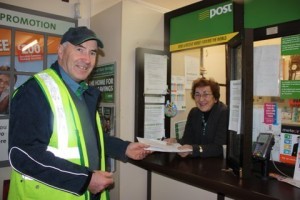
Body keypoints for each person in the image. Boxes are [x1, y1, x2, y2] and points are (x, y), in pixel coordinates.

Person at [8, 26, 151, 200]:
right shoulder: (35, 90)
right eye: (79, 49)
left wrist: (124, 148)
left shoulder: (82, 93)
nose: (86, 59)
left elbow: (88, 138)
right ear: (61, 51)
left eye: (92, 53)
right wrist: (85, 179)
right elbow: (23, 155)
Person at [165, 77, 228, 158]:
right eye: (197, 94)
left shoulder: (224, 112)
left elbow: (219, 148)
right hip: (197, 162)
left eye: (206, 94)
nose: (201, 99)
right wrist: (175, 141)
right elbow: (187, 140)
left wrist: (193, 149)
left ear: (215, 98)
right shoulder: (194, 112)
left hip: (217, 164)